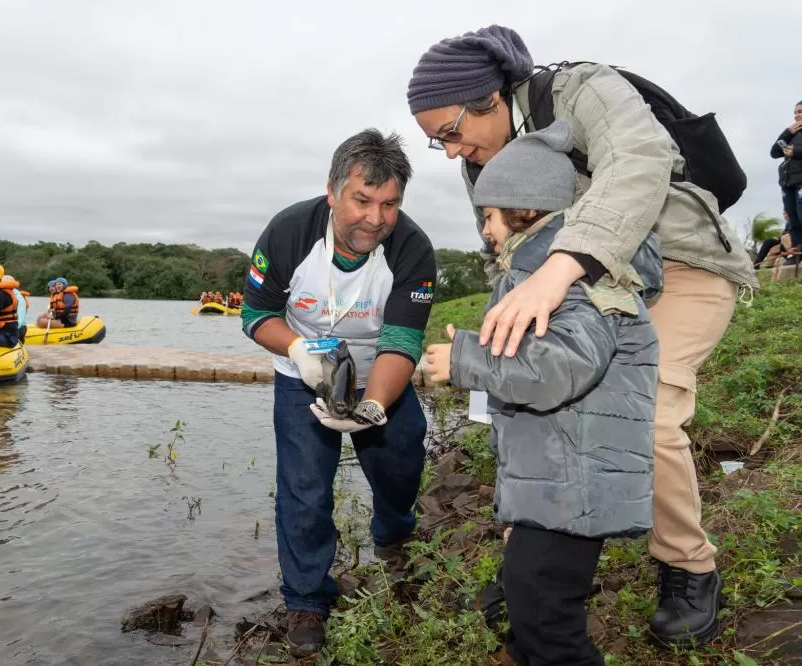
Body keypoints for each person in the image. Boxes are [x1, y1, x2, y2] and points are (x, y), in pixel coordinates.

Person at [406, 24, 759, 649]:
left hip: (679, 266)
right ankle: (536, 566)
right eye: (438, 143)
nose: (453, 151)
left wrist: (561, 268)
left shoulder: (584, 88)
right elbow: (507, 252)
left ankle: (687, 565)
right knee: (528, 407)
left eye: (452, 132)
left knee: (647, 417)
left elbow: (638, 161)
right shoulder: (483, 156)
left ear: (489, 97)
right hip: (573, 284)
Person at [425, 120, 660, 665]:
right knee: (527, 601)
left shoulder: (573, 281)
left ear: (524, 211)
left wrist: (466, 361)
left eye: (489, 215)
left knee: (548, 620)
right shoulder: (534, 276)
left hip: (572, 487)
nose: (485, 228)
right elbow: (534, 357)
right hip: (555, 484)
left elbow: (566, 367)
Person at [241, 128, 437, 657]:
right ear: (332, 192)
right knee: (305, 487)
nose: (375, 218)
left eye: (390, 204)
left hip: (380, 367)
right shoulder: (288, 231)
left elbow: (401, 340)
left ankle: (393, 534)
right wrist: (302, 354)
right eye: (362, 200)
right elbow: (255, 316)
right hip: (302, 369)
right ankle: (306, 597)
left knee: (401, 456)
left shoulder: (413, 248)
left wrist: (373, 405)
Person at [771, 100, 802, 253]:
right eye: (795, 112)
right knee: (793, 218)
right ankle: (798, 250)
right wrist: (787, 132)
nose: (797, 115)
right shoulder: (791, 134)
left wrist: (795, 152)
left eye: (800, 112)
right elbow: (774, 152)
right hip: (788, 183)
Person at [4, 274, 29, 342]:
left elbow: (20, 318)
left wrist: (13, 330)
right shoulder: (6, 296)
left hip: (19, 328)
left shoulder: (18, 298)